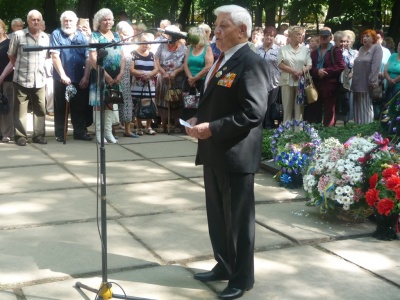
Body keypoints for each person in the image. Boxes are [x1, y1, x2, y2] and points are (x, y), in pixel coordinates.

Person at [185, 5, 270, 300]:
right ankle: (223, 264)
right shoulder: (223, 59)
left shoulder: (251, 62)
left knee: (238, 221)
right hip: (214, 151)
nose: (216, 32)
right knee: (218, 216)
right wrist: (198, 119)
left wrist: (214, 128)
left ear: (242, 31)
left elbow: (253, 113)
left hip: (235, 154)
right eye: (216, 26)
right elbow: (217, 100)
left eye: (222, 27)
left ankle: (241, 278)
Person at [8, 9, 50, 146]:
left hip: (40, 78)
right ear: (28, 21)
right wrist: (18, 68)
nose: (36, 22)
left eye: (38, 19)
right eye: (33, 19)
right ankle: (20, 136)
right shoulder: (18, 35)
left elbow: (46, 56)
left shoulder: (45, 37)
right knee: (20, 109)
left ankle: (38, 135)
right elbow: (11, 55)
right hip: (21, 78)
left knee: (40, 109)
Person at [50, 10, 92, 142]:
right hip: (61, 78)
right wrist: (62, 75)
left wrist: (86, 76)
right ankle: (61, 133)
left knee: (79, 106)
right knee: (61, 107)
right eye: (65, 21)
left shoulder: (81, 36)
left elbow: (88, 58)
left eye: (70, 21)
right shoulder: (56, 34)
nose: (68, 23)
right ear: (62, 22)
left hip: (79, 77)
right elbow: (54, 56)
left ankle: (79, 132)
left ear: (76, 22)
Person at [89, 8, 126, 144]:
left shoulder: (116, 35)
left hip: (117, 76)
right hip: (100, 75)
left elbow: (122, 56)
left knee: (111, 102)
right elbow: (93, 58)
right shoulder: (95, 36)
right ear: (99, 21)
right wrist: (105, 76)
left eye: (110, 19)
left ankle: (109, 132)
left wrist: (121, 72)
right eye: (104, 19)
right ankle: (99, 134)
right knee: (99, 104)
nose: (107, 22)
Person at [306, 29, 345, 126]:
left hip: (330, 84)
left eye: (325, 37)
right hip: (316, 83)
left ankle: (328, 131)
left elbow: (341, 66)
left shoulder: (335, 51)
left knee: (329, 109)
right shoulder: (314, 52)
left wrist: (326, 71)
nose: (323, 38)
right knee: (315, 108)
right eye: (321, 36)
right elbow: (309, 67)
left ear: (330, 38)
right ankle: (315, 129)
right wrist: (317, 72)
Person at [154, 25, 186, 133]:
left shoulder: (183, 47)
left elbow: (185, 63)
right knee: (163, 101)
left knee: (176, 100)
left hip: (177, 77)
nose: (172, 38)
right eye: (170, 35)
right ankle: (163, 125)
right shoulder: (162, 45)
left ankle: (176, 125)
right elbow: (156, 59)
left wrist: (176, 72)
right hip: (163, 77)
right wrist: (162, 72)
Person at [277, 26, 311, 124]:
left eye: (302, 34)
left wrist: (301, 72)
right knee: (287, 107)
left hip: (300, 81)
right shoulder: (283, 49)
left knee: (299, 108)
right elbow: (280, 63)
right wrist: (293, 71)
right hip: (286, 81)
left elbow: (309, 64)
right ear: (291, 36)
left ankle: (298, 132)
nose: (301, 36)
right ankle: (286, 132)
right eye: (298, 34)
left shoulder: (305, 49)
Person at [351, 29, 383, 124]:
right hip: (357, 82)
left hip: (367, 83)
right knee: (357, 108)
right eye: (363, 36)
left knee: (366, 108)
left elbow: (375, 67)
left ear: (373, 38)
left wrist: (373, 81)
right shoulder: (361, 49)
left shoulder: (377, 48)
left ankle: (367, 131)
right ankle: (358, 132)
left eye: (367, 36)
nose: (364, 38)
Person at [131, 33, 159, 135]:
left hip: (149, 84)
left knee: (150, 104)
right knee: (138, 104)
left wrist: (150, 75)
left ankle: (149, 126)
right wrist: (143, 74)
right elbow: (131, 69)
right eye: (144, 42)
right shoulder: (133, 54)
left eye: (148, 43)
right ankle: (139, 127)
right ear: (139, 42)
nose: (146, 45)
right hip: (137, 84)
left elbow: (156, 68)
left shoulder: (152, 55)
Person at [183, 26, 213, 119]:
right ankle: (186, 125)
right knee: (188, 104)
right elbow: (185, 64)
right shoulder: (190, 47)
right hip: (189, 80)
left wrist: (195, 78)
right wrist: (190, 78)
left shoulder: (207, 48)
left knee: (199, 104)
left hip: (201, 81)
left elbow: (208, 66)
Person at [115, 21, 138, 138]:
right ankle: (112, 131)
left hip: (128, 80)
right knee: (113, 103)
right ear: (118, 33)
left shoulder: (132, 47)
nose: (128, 37)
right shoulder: (114, 45)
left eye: (130, 34)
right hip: (116, 78)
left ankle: (127, 130)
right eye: (125, 34)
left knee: (127, 104)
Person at [257, 26, 281, 129]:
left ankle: (269, 124)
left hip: (273, 81)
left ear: (274, 38)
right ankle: (259, 123)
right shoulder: (257, 49)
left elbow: (282, 66)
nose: (269, 38)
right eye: (267, 35)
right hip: (259, 81)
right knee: (260, 103)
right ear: (264, 36)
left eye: (271, 36)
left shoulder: (279, 50)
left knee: (270, 103)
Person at [0, 19, 14, 142]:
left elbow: (12, 61)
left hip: (7, 79)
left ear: (3, 28)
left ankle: (7, 133)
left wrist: (2, 76)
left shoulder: (9, 42)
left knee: (7, 106)